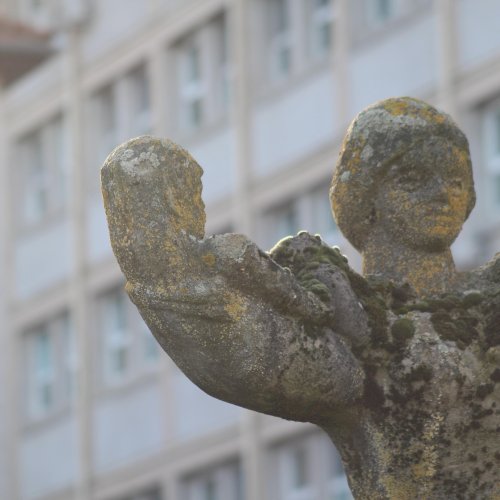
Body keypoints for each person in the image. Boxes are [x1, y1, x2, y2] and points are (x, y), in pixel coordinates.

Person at [102, 97, 499, 499]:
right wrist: (160, 245)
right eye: (413, 178)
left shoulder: (488, 303)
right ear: (365, 197)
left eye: (456, 181)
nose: (440, 194)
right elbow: (246, 349)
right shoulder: (357, 324)